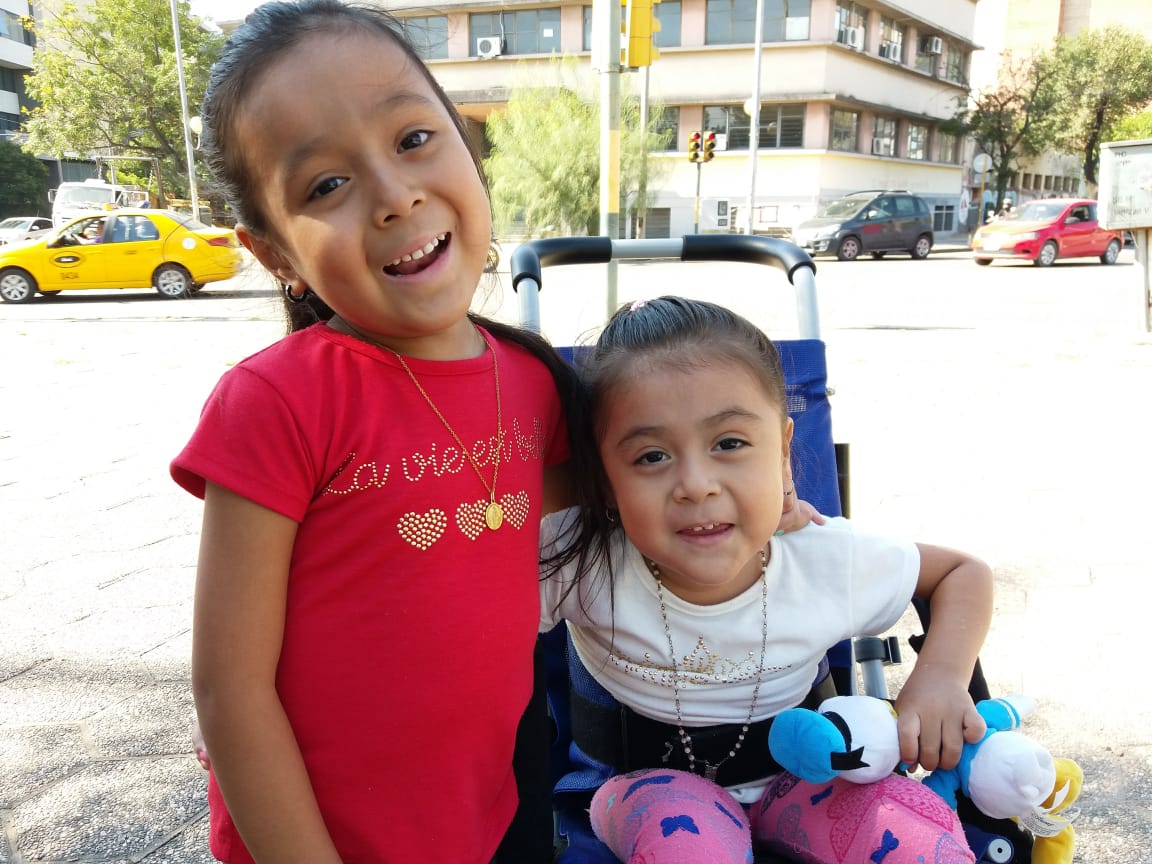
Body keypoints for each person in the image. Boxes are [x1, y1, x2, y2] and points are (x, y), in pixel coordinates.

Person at [168, 2, 584, 861]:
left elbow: (632, 495)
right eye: (326, 185)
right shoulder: (277, 403)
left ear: (469, 145)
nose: (396, 196)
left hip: (490, 823)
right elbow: (230, 690)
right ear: (275, 254)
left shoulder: (538, 381)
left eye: (413, 140)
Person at [539, 296, 995, 863]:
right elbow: (452, 602)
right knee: (691, 848)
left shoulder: (820, 559)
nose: (696, 484)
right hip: (643, 785)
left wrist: (942, 678)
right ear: (603, 481)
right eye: (651, 457)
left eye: (729, 444)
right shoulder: (581, 561)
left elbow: (962, 573)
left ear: (783, 452)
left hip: (807, 774)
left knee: (920, 846)